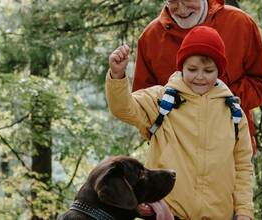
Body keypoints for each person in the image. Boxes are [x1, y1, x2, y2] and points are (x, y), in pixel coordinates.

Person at [106, 26, 253, 220]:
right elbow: (123, 108)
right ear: (181, 67)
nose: (200, 76)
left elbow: (243, 167)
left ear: (219, 70)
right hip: (166, 214)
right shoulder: (160, 100)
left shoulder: (234, 113)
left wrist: (244, 213)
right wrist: (117, 76)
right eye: (192, 69)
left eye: (208, 70)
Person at [132, 0, 262, 155]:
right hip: (175, 154)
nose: (181, 9)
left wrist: (222, 103)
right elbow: (142, 106)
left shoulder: (239, 23)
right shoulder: (150, 38)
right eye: (172, 1)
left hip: (231, 149)